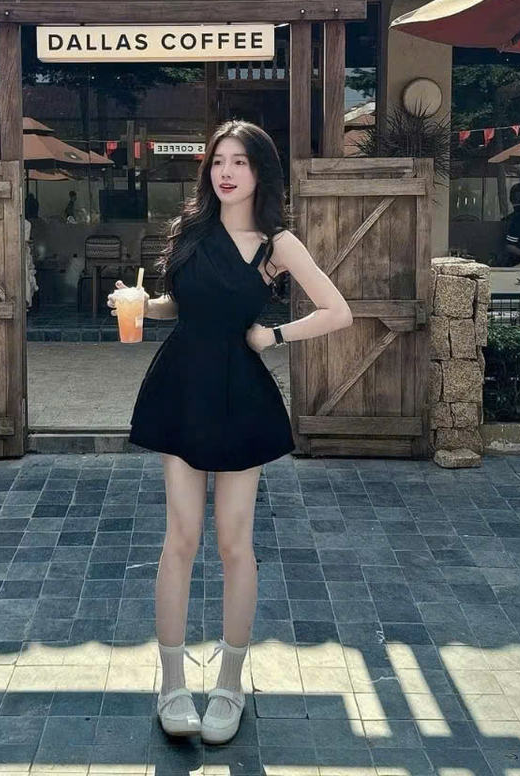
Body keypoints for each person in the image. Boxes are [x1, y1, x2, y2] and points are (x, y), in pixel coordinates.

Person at [108, 120, 353, 744]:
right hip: (183, 386)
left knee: (234, 543)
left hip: (240, 392)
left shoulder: (277, 244)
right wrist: (139, 305)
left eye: (240, 161)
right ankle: (171, 684)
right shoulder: (191, 230)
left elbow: (338, 311)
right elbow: (182, 305)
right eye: (219, 160)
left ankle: (230, 684)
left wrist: (274, 336)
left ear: (260, 171)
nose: (226, 172)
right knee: (181, 538)